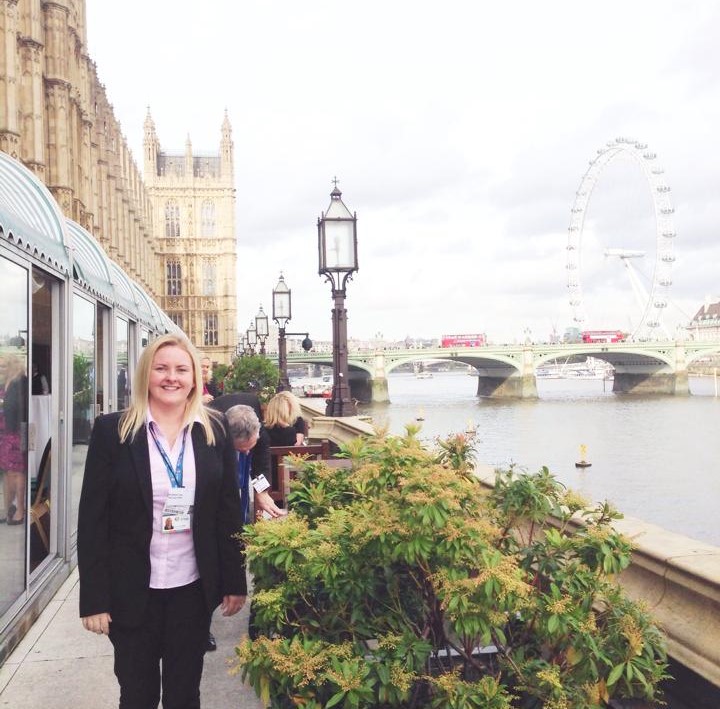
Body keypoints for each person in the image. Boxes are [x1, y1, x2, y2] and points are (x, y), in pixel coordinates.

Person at [77, 333, 246, 709]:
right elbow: (92, 520)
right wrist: (93, 598)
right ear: (145, 375)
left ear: (194, 379)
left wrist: (235, 580)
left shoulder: (214, 429)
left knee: (185, 695)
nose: (172, 377)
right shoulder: (112, 431)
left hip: (191, 589)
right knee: (137, 695)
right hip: (131, 591)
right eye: (162, 368)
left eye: (181, 369)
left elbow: (227, 512)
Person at [204, 404, 285, 653]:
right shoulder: (209, 437)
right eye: (242, 450)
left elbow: (261, 460)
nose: (247, 451)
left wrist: (261, 493)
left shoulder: (257, 431)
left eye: (250, 446)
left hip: (237, 499)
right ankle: (202, 625)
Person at [0, 353, 28, 525]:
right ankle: (7, 507)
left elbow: (23, 409)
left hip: (17, 432)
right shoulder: (5, 383)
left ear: (13, 365)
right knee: (6, 472)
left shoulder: (21, 382)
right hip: (4, 433)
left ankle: (20, 510)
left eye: (3, 365)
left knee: (17, 471)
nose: (1, 369)